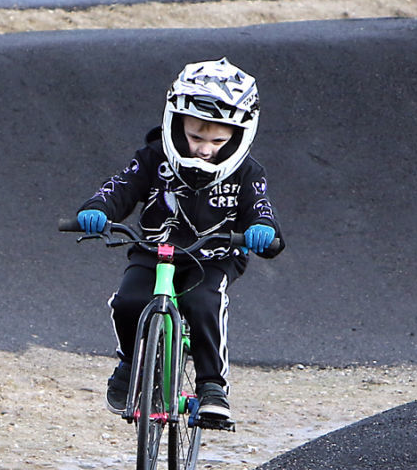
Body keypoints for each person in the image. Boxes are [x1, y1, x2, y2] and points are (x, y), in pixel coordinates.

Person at [74, 58, 283, 430]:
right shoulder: (154, 157)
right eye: (196, 137)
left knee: (204, 302)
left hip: (214, 256)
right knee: (128, 302)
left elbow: (260, 208)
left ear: (239, 135)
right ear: (176, 124)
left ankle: (212, 388)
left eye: (218, 140)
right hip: (155, 251)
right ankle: (129, 362)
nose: (205, 149)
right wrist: (97, 209)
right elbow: (121, 188)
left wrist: (262, 229)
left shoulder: (247, 171)